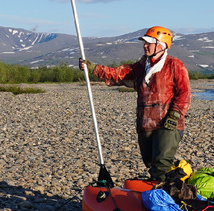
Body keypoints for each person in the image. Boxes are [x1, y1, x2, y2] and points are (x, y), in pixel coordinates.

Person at [81, 26, 191, 181]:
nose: (145, 46)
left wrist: (174, 114)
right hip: (145, 123)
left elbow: (184, 93)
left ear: (161, 45)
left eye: (149, 43)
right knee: (150, 162)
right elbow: (118, 74)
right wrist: (92, 68)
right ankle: (175, 179)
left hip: (168, 124)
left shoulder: (174, 65)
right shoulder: (141, 67)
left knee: (160, 165)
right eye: (144, 43)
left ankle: (162, 193)